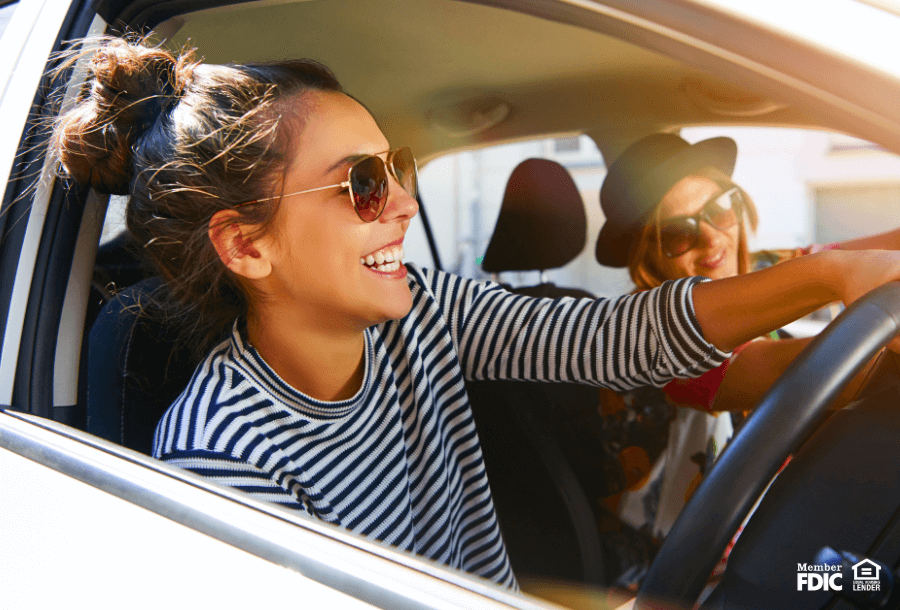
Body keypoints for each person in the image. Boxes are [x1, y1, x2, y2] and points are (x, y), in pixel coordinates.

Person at [51, 38, 900, 592]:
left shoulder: (423, 313)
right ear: (247, 247)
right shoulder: (219, 455)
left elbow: (613, 340)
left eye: (400, 167)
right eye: (363, 184)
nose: (405, 206)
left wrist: (831, 275)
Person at [594, 132, 900, 586]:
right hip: (689, 578)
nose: (713, 240)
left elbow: (862, 255)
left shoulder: (762, 270)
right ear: (650, 258)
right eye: (679, 234)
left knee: (875, 575)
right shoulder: (650, 346)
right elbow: (797, 372)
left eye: (718, 209)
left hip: (777, 535)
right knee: (872, 581)